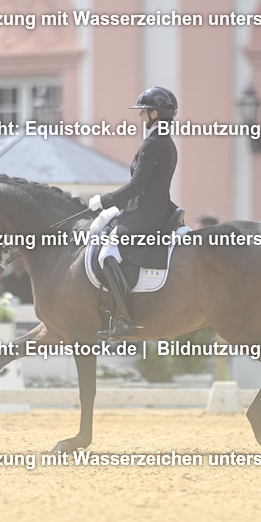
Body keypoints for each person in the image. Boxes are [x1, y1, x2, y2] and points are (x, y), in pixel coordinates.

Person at [89, 86, 179, 339]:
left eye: (143, 111)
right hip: (153, 208)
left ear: (154, 113)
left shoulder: (152, 143)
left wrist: (105, 200)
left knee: (107, 254)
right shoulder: (166, 141)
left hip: (145, 213)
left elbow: (137, 185)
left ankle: (126, 320)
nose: (140, 116)